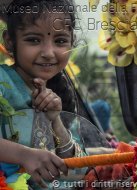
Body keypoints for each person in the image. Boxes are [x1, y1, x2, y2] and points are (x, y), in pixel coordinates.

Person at [0, 0, 85, 189]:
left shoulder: (60, 96)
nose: (48, 52)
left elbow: (77, 171)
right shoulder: (2, 81)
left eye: (60, 41)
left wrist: (55, 121)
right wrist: (24, 155)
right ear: (9, 41)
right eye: (33, 40)